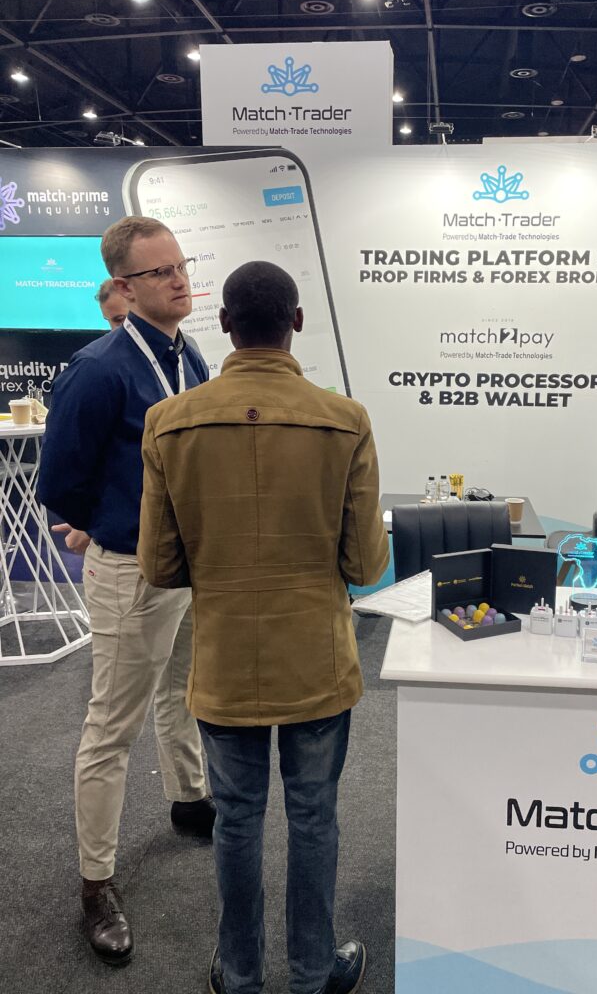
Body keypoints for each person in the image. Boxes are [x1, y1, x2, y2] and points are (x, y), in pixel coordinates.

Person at [137, 261, 390, 994]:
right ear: (297, 322)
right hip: (317, 659)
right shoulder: (345, 420)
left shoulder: (168, 422)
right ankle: (313, 972)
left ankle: (241, 973)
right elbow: (365, 561)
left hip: (222, 660)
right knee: (313, 816)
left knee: (238, 819)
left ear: (223, 325)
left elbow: (159, 565)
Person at [38, 216, 216, 967]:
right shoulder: (99, 368)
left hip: (191, 565)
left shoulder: (188, 352)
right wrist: (114, 526)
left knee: (183, 690)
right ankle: (95, 883)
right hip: (132, 570)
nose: (179, 280)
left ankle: (190, 799)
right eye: (160, 271)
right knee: (112, 725)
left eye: (180, 265)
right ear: (125, 286)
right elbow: (59, 481)